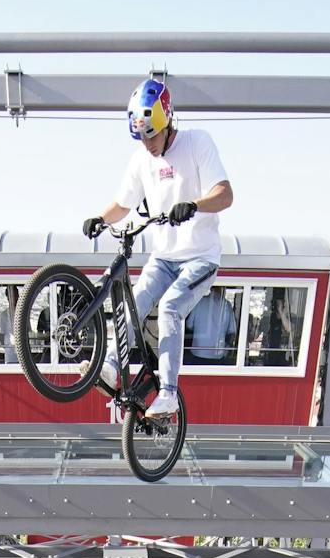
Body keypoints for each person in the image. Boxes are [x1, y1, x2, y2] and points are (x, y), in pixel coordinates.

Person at [83, 80, 232, 417]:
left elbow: (225, 194)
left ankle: (167, 393)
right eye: (141, 137)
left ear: (168, 122)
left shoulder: (198, 143)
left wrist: (193, 205)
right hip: (163, 257)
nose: (148, 144)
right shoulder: (141, 160)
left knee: (169, 308)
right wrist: (100, 219)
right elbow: (123, 204)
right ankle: (108, 365)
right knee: (135, 304)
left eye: (153, 134)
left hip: (200, 257)